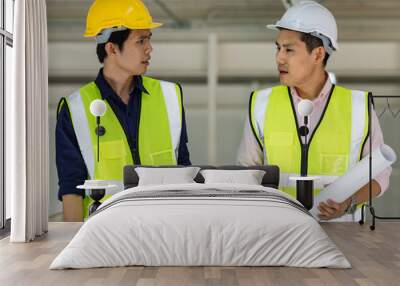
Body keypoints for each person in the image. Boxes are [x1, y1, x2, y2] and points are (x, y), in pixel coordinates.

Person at [237, 0, 391, 221]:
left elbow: (380, 174)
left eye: (289, 49)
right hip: (279, 229)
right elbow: (246, 173)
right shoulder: (261, 103)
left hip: (342, 234)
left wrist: (349, 203)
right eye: (278, 48)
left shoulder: (359, 107)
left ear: (318, 55)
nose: (279, 58)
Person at [56, 0, 191, 221]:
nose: (149, 48)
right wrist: (73, 244)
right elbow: (72, 188)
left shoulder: (170, 96)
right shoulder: (74, 109)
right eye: (141, 40)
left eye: (149, 39)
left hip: (165, 231)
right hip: (105, 238)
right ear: (111, 48)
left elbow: (185, 170)